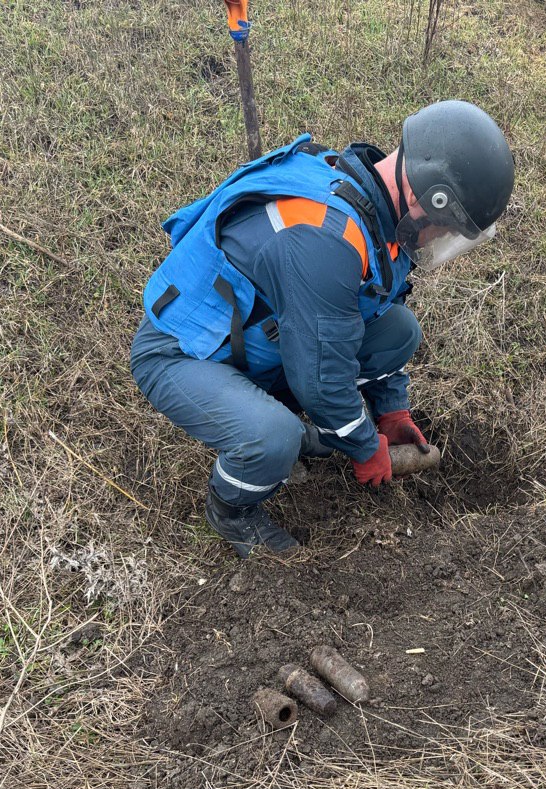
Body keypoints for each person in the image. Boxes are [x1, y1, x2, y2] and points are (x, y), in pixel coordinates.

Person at [130, 100, 515, 557]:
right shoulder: (325, 238)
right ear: (424, 199)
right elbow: (321, 378)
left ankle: (298, 429)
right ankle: (231, 509)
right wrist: (364, 445)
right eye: (446, 228)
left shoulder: (374, 208)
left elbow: (371, 312)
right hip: (183, 352)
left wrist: (391, 411)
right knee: (274, 438)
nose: (439, 240)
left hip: (259, 339)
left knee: (399, 331)